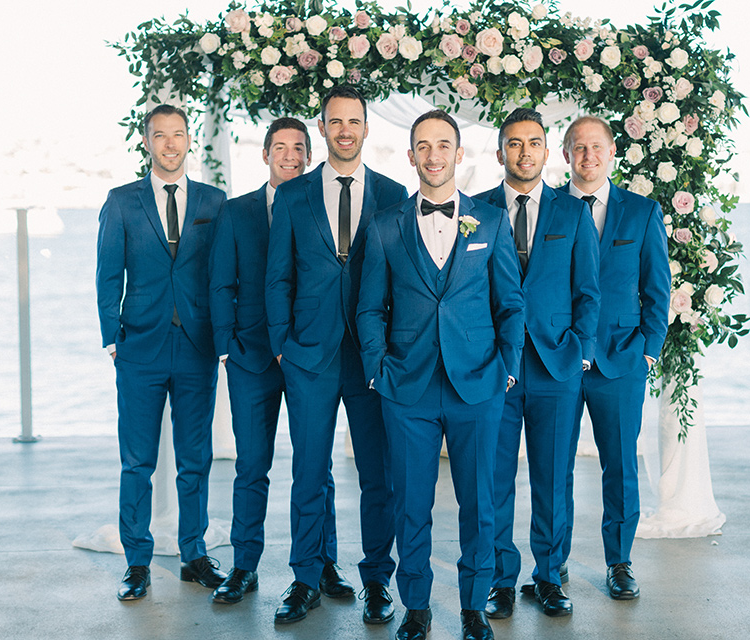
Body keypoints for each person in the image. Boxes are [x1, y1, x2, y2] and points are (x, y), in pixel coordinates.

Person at [356, 109, 525, 640]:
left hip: (478, 383)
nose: (433, 155)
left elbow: (510, 304)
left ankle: (474, 607)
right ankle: (417, 607)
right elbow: (368, 308)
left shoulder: (491, 222)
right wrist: (378, 371)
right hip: (406, 387)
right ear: (411, 156)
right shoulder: (385, 225)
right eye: (423, 146)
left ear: (458, 153)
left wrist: (509, 368)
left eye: (443, 145)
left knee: (480, 500)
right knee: (411, 501)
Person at [265, 86, 408, 625]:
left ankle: (376, 580)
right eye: (335, 121)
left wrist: (395, 351)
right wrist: (282, 345)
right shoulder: (294, 196)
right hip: (308, 357)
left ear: (368, 129)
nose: (345, 129)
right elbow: (277, 277)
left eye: (354, 121)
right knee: (308, 471)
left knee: (378, 474)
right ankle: (304, 578)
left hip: (374, 359)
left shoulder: (395, 194)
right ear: (321, 130)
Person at [96, 104, 228, 601]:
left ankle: (194, 554)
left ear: (189, 140)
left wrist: (224, 337)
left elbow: (224, 275)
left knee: (195, 459)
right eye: (160, 136)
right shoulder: (123, 201)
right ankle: (137, 561)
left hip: (198, 346)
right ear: (146, 141)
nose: (170, 144)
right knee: (138, 462)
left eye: (178, 135)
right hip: (139, 349)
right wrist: (113, 338)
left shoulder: (215, 202)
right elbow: (108, 273)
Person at [472, 108, 600, 619]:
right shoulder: (475, 209)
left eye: (534, 143)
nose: (524, 152)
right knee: (493, 479)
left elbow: (588, 292)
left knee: (552, 479)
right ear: (500, 151)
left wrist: (581, 353)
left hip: (556, 368)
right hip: (493, 367)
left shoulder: (571, 214)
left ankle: (548, 576)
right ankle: (501, 579)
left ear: (548, 151)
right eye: (514, 143)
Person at [209, 117, 332, 604]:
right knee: (251, 465)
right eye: (279, 148)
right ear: (264, 154)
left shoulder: (320, 205)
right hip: (251, 358)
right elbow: (221, 282)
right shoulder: (237, 212)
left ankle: (322, 565)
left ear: (308, 155)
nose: (289, 156)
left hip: (310, 356)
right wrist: (225, 346)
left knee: (316, 466)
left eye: (298, 148)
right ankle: (244, 566)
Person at [559, 115, 670, 600]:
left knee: (620, 465)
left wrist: (648, 350)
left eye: (597, 147)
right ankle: (552, 563)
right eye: (578, 148)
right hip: (558, 359)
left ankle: (619, 562)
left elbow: (657, 288)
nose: (588, 156)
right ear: (565, 155)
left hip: (621, 361)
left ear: (612, 152)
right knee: (553, 464)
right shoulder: (549, 209)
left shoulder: (642, 213)